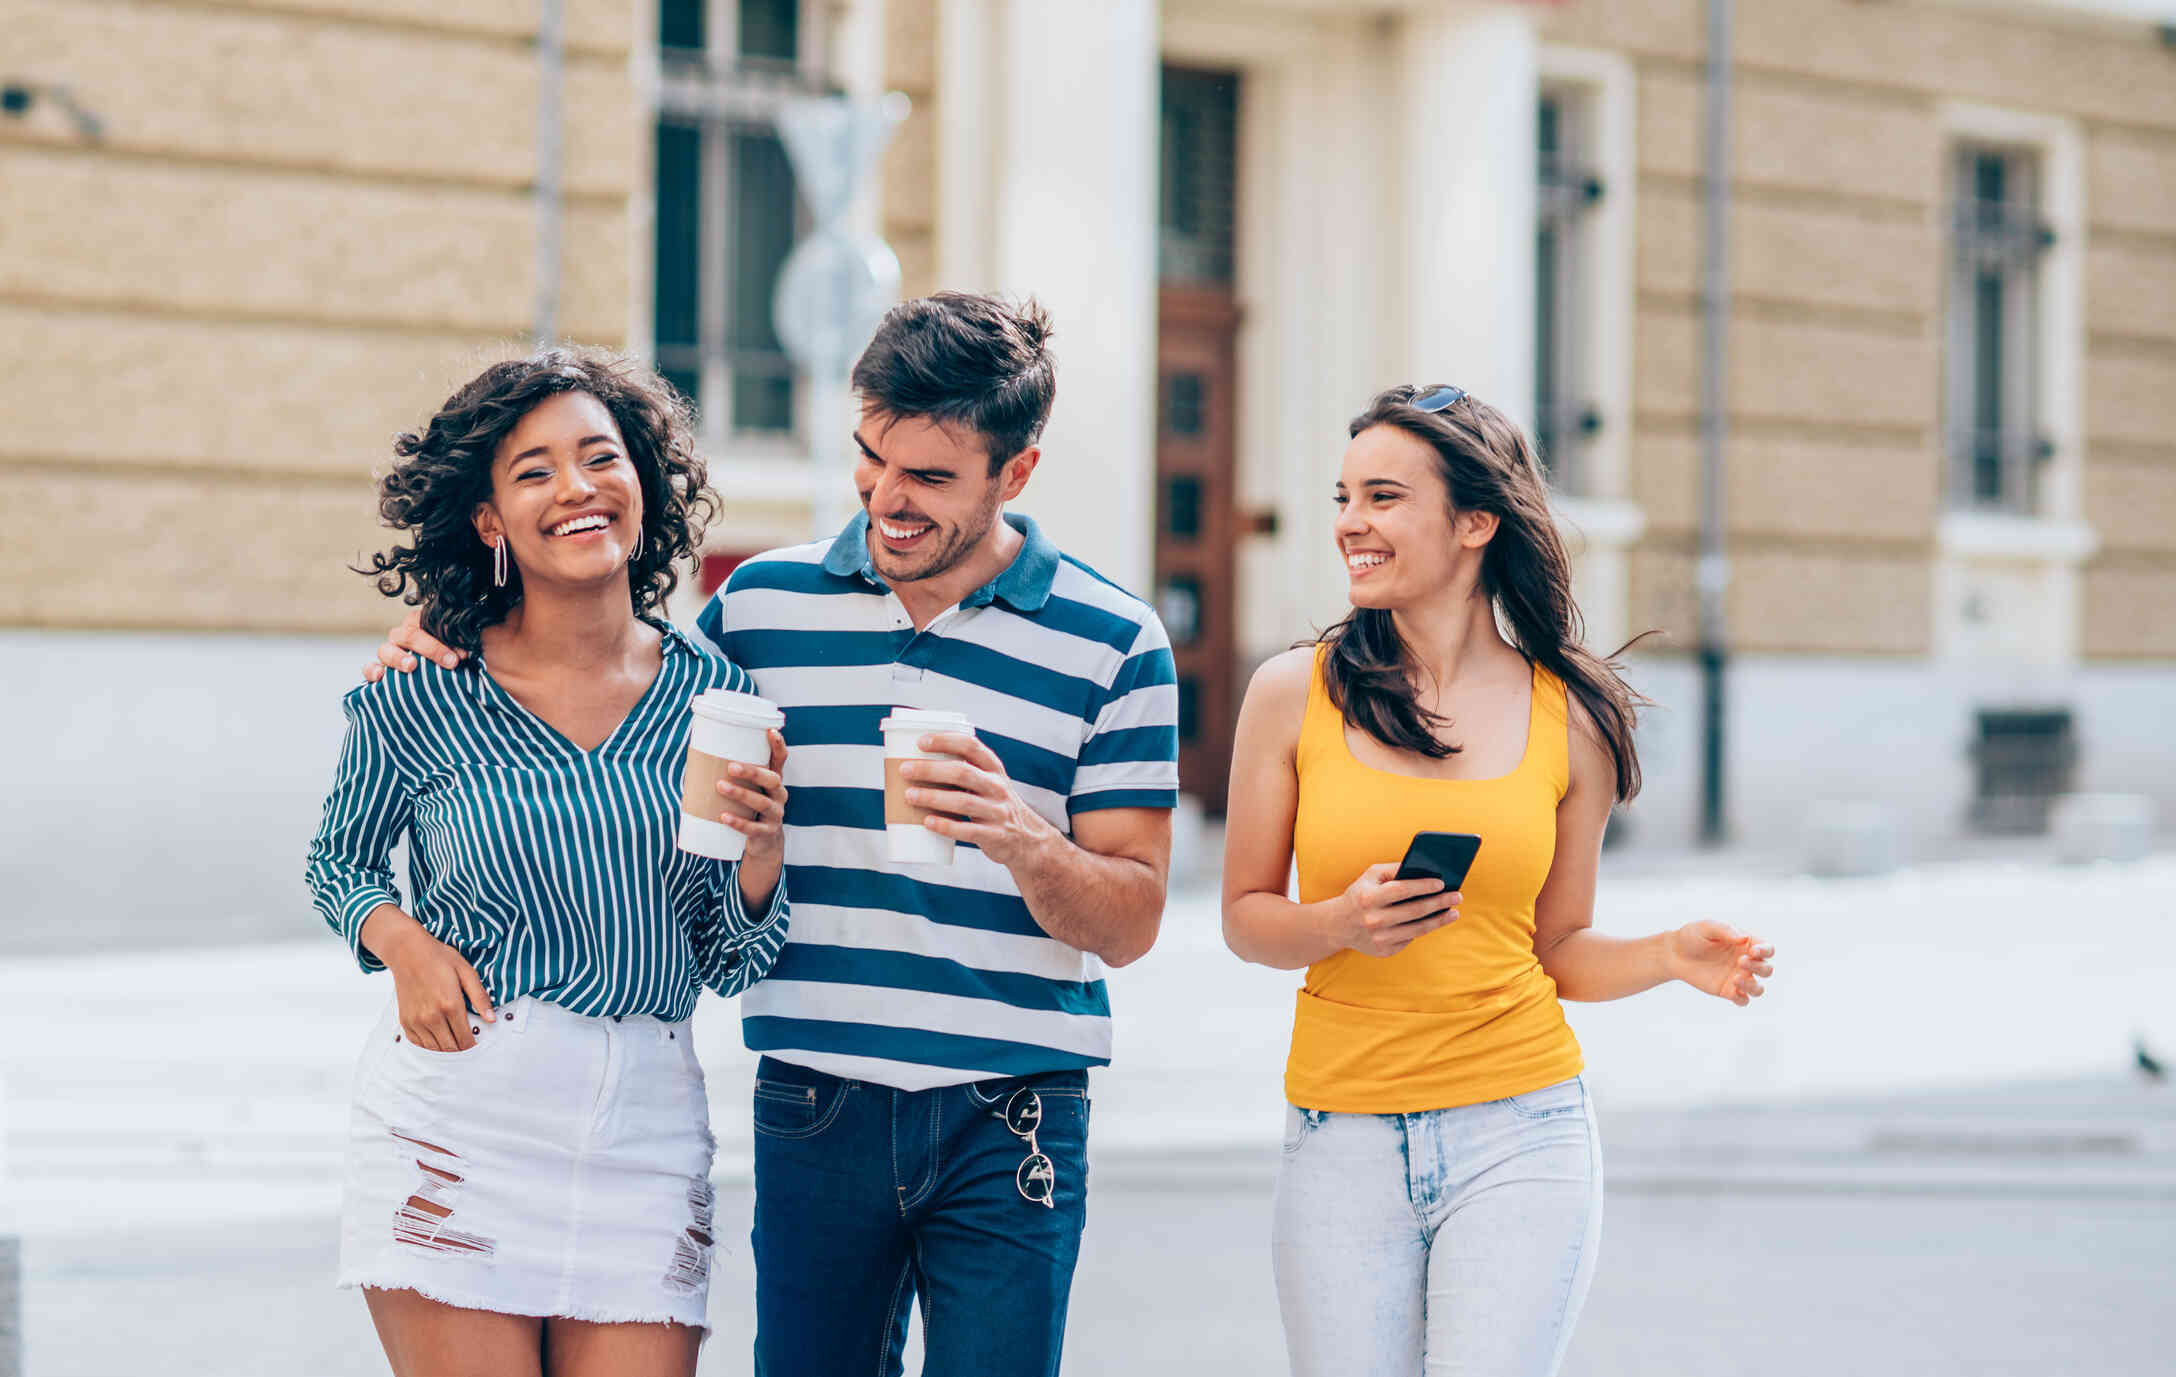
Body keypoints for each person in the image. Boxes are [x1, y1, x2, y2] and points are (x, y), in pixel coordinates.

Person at [370, 293, 1181, 1376]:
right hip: (818, 1097)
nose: (887, 499)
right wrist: (453, 627)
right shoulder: (760, 609)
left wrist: (1017, 834)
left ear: (1014, 474)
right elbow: (613, 668)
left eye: (929, 479)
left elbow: (1128, 923)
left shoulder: (1113, 640)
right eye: (870, 458)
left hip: (1014, 1111)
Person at [1220, 383, 1777, 1377]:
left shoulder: (1570, 717)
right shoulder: (1288, 693)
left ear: (1475, 521)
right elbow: (1247, 921)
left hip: (1522, 1133)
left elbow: (1555, 950)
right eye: (1343, 497)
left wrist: (1666, 955)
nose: (1349, 523)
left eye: (1382, 498)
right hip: (1339, 1137)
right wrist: (1342, 922)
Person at [310, 350, 791, 1377]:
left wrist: (761, 856)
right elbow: (336, 864)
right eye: (532, 471)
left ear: (641, 485)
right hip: (456, 1119)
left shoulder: (712, 698)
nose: (574, 489)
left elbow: (727, 960)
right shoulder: (422, 691)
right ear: (488, 521)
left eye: (598, 458)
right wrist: (400, 944)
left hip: (647, 1136)